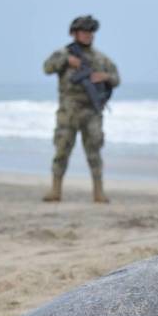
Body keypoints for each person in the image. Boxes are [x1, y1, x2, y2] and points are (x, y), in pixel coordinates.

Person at [42, 15, 121, 203]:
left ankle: (98, 192)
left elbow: (116, 78)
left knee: (94, 151)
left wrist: (105, 77)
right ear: (74, 34)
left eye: (90, 32)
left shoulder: (100, 58)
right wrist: (66, 60)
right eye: (84, 32)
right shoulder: (64, 53)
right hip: (68, 111)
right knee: (62, 150)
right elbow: (47, 68)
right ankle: (55, 190)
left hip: (92, 112)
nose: (88, 35)